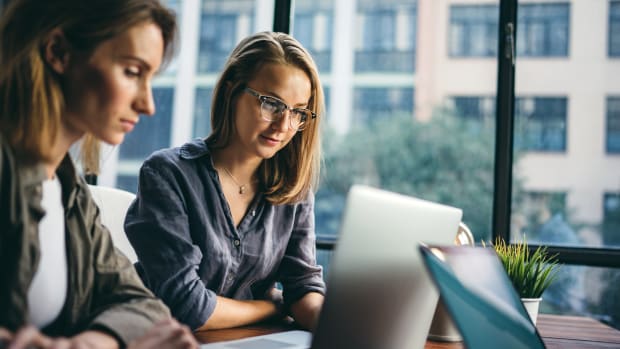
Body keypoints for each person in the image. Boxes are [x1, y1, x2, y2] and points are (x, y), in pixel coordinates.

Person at [0, 0, 197, 348]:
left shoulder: (67, 188)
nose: (148, 104)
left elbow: (145, 304)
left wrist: (92, 344)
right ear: (59, 52)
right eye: (133, 72)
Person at [124, 31, 326, 332]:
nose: (284, 126)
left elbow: (302, 286)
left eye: (298, 112)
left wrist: (343, 326)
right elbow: (186, 307)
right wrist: (271, 306)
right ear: (232, 91)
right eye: (271, 104)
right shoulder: (167, 174)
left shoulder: (293, 190)